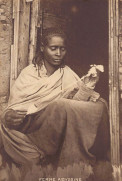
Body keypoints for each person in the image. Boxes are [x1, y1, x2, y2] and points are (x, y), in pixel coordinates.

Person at [0, 27, 109, 167]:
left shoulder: (67, 73)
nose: (59, 53)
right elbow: (15, 106)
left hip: (54, 128)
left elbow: (74, 105)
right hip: (31, 125)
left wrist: (88, 86)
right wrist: (9, 114)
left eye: (62, 49)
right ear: (42, 48)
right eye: (53, 48)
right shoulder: (29, 73)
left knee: (97, 104)